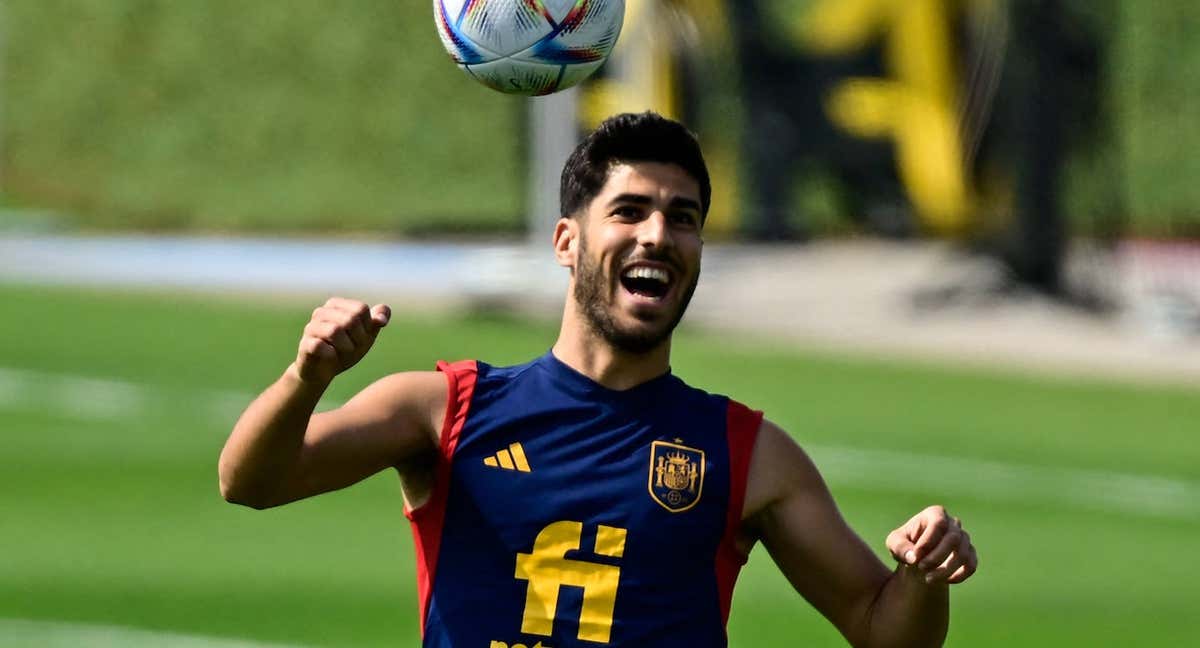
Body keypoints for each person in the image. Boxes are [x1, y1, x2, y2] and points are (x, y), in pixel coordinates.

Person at [219, 112, 978, 647]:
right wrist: (306, 376)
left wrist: (924, 574)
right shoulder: (444, 408)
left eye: (683, 218)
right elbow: (249, 480)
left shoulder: (749, 452)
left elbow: (885, 633)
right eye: (631, 210)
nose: (658, 233)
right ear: (567, 242)